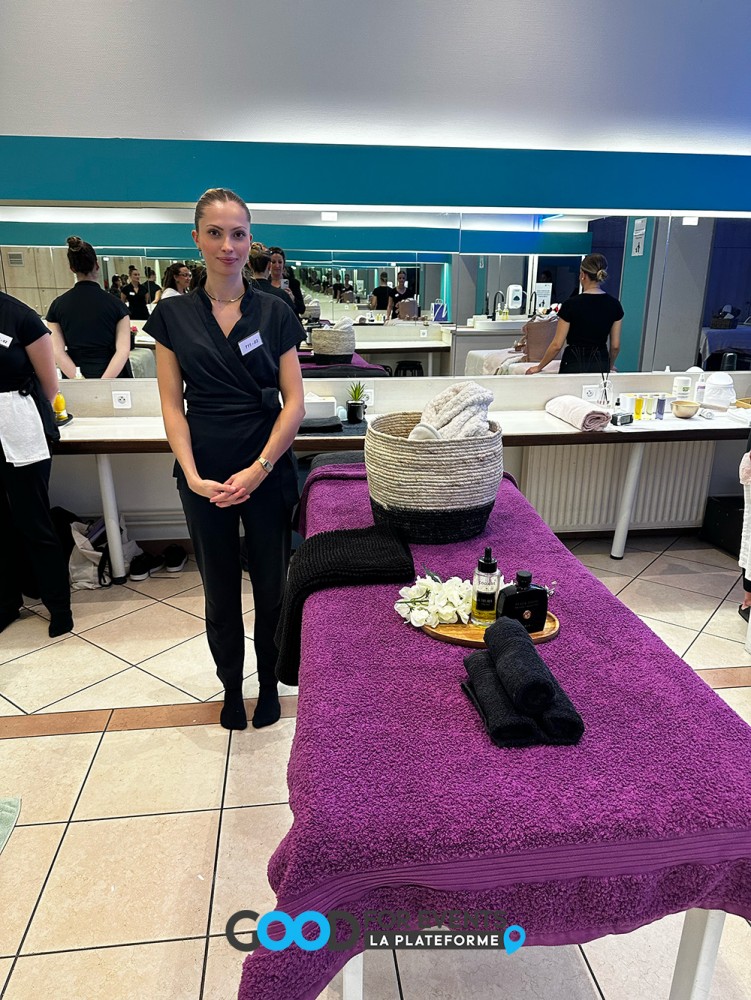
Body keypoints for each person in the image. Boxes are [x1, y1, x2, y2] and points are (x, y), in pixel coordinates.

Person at [145, 188, 305, 731]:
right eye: (215, 233)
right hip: (204, 470)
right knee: (218, 589)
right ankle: (231, 687)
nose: (227, 245)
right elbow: (172, 404)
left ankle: (269, 685)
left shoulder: (276, 311)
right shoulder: (172, 316)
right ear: (196, 238)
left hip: (266, 464)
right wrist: (192, 475)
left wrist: (260, 469)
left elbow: (294, 403)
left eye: (238, 234)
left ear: (250, 240)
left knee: (271, 587)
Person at [0, 289, 73, 637]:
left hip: (20, 430)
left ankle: (58, 605)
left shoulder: (19, 317)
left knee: (34, 521)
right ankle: (6, 601)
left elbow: (49, 386)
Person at [46, 236, 132, 379]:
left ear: (72, 268)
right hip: (113, 376)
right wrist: (103, 383)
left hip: (75, 373)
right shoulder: (117, 305)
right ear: (97, 265)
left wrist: (79, 379)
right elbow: (122, 351)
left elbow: (57, 352)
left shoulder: (57, 306)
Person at [526, 253, 623, 375]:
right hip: (600, 363)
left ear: (583, 275)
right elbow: (615, 346)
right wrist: (609, 365)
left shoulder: (570, 305)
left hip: (573, 363)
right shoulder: (614, 305)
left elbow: (557, 345)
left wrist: (539, 367)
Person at [269, 246, 306, 317]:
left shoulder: (293, 283)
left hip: (290, 321)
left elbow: (302, 309)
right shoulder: (264, 283)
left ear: (284, 264)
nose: (277, 265)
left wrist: (293, 299)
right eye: (273, 262)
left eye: (280, 262)